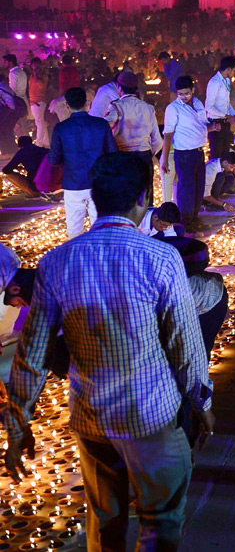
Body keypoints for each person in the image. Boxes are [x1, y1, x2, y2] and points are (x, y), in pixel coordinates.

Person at [2, 152, 214, 550]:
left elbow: (32, 355)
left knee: (104, 519)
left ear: (96, 198)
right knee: (160, 520)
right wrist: (201, 401)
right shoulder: (162, 257)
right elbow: (184, 343)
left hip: (92, 418)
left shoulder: (56, 262)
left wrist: (18, 425)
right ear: (142, 199)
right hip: (150, 416)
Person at [48, 86, 118, 238]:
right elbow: (113, 153)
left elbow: (53, 160)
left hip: (73, 182)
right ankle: (99, 258)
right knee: (100, 228)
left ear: (67, 105)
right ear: (87, 103)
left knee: (74, 229)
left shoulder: (61, 128)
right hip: (98, 182)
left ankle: (78, 259)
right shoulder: (101, 124)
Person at [163, 75, 210, 234]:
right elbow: (168, 134)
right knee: (186, 190)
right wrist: (164, 160)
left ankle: (195, 220)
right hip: (184, 155)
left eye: (186, 93)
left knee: (198, 188)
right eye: (180, 94)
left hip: (198, 152)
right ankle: (186, 224)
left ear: (193, 90)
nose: (183, 97)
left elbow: (200, 126)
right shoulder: (173, 108)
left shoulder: (198, 103)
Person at [106, 70, 163, 170]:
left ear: (119, 88)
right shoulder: (148, 108)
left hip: (124, 158)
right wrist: (148, 154)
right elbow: (158, 141)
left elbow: (105, 128)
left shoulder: (116, 107)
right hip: (144, 158)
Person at [204, 55, 235, 161]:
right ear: (228, 69)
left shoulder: (226, 81)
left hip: (225, 123)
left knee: (225, 154)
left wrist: (233, 114)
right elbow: (208, 106)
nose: (234, 73)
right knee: (216, 155)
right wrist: (226, 115)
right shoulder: (214, 82)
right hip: (215, 124)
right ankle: (216, 176)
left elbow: (226, 102)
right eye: (233, 70)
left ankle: (224, 175)